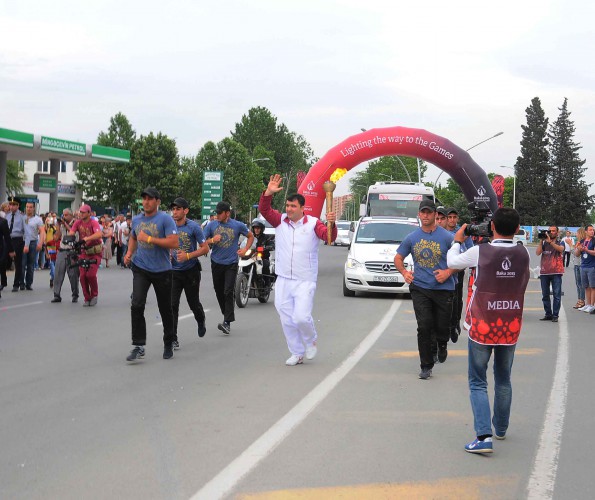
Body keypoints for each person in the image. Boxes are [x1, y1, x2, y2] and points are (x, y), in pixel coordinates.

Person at [447, 207, 530, 454]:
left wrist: (457, 240)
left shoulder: (479, 251)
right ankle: (501, 428)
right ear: (517, 229)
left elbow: (452, 263)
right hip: (510, 324)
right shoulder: (523, 252)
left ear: (491, 226)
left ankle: (483, 437)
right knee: (503, 378)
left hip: (483, 325)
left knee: (477, 381)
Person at [259, 174, 337, 366]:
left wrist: (331, 224)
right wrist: (268, 193)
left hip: (305, 279)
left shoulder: (313, 224)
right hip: (284, 278)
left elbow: (328, 237)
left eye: (293, 206)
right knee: (286, 318)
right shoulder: (280, 221)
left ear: (303, 208)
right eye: (287, 205)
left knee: (301, 317)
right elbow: (264, 209)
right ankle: (297, 352)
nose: (289, 209)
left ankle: (311, 341)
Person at [394, 199, 456, 380]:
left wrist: (448, 272)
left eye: (430, 212)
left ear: (435, 214)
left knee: (441, 326)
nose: (426, 215)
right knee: (424, 326)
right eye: (423, 212)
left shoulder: (447, 237)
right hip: (420, 287)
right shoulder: (412, 237)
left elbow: (460, 260)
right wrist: (404, 272)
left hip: (443, 288)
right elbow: (398, 258)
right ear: (419, 215)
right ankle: (426, 365)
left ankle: (442, 343)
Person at [124, 187, 179, 362]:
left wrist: (149, 239)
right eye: (144, 199)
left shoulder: (165, 219)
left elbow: (174, 242)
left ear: (157, 201)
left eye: (150, 199)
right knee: (137, 304)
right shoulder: (137, 219)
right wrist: (129, 253)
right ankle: (138, 345)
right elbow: (133, 237)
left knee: (165, 309)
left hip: (162, 270)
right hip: (141, 267)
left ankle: (168, 342)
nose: (146, 202)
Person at [203, 201, 253, 335]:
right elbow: (202, 240)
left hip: (231, 263)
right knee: (219, 291)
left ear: (227, 213)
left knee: (228, 291)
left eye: (220, 213)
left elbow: (250, 236)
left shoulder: (238, 225)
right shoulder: (212, 225)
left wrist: (245, 249)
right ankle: (227, 314)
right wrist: (213, 240)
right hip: (216, 262)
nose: (217, 215)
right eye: (216, 213)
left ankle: (227, 322)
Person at [170, 197, 210, 349]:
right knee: (172, 305)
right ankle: (173, 338)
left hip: (191, 271)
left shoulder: (193, 227)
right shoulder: (169, 226)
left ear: (185, 211)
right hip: (173, 272)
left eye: (178, 209)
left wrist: (188, 255)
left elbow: (205, 248)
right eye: (173, 209)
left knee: (193, 303)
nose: (174, 212)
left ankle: (200, 319)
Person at [446, 207, 473, 343]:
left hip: (458, 269)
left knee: (457, 298)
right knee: (447, 299)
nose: (451, 220)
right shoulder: (442, 232)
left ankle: (455, 322)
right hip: (445, 268)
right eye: (449, 217)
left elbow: (471, 249)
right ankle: (447, 325)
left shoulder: (462, 232)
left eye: (454, 217)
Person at [69, 204, 103, 306]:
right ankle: (87, 298)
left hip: (95, 252)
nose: (81, 214)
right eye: (80, 212)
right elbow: (72, 232)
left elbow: (99, 234)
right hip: (83, 252)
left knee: (91, 275)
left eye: (83, 212)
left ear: (89, 213)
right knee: (83, 276)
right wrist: (70, 239)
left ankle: (94, 295)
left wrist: (86, 239)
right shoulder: (77, 222)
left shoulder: (94, 222)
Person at [535, 226, 564, 322]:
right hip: (544, 272)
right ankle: (548, 314)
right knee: (545, 295)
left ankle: (555, 315)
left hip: (556, 271)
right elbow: (537, 253)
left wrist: (550, 242)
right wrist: (541, 241)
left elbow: (561, 249)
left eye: (553, 231)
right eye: (550, 231)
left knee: (556, 295)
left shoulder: (560, 241)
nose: (551, 232)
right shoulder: (544, 243)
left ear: (557, 232)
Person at [51, 209, 80, 303]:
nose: (64, 217)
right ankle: (56, 295)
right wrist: (58, 227)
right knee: (58, 273)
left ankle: (75, 294)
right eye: (63, 215)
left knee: (73, 275)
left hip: (72, 251)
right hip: (62, 250)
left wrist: (65, 224)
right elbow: (56, 238)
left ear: (71, 215)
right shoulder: (62, 224)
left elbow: (74, 234)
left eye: (66, 215)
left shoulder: (76, 223)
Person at [22, 202, 46, 291]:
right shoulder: (22, 218)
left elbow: (42, 231)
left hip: (33, 242)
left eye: (30, 207)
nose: (28, 209)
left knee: (30, 264)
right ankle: (21, 283)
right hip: (23, 242)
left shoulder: (38, 219)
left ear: (33, 208)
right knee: (22, 263)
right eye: (27, 207)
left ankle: (29, 283)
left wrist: (40, 243)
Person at [6, 197, 26, 292]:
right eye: (10, 204)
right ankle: (3, 282)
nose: (12, 206)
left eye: (14, 204)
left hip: (18, 240)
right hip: (7, 240)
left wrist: (26, 244)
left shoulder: (22, 216)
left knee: (18, 263)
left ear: (18, 206)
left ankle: (16, 284)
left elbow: (26, 231)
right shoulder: (7, 216)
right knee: (3, 261)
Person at [575, 224, 595, 313]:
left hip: (592, 266)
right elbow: (576, 254)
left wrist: (587, 250)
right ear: (586, 231)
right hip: (583, 266)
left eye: (593, 230)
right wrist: (579, 249)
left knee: (593, 286)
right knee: (586, 286)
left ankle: (592, 305)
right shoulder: (582, 241)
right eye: (590, 230)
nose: (592, 231)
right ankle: (587, 304)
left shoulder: (594, 241)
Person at [250, 218, 274, 283]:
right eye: (255, 228)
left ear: (261, 229)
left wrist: (269, 246)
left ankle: (266, 283)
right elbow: (244, 243)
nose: (256, 230)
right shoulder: (250, 237)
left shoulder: (266, 237)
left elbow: (271, 244)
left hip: (263, 257)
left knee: (265, 264)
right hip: (252, 257)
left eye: (258, 228)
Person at [0, 214, 15, 300]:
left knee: (1, 266)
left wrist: (11, 250)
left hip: (1, 248)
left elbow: (7, 237)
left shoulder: (3, 221)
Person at [571, 227, 586, 309]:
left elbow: (576, 254)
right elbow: (574, 253)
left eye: (577, 233)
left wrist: (571, 245)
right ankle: (579, 299)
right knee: (578, 283)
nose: (576, 235)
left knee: (581, 284)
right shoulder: (578, 242)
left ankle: (582, 300)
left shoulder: (583, 243)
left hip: (580, 264)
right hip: (576, 264)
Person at [44, 214, 59, 288]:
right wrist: (47, 254)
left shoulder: (54, 228)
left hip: (56, 254)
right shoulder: (47, 228)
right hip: (50, 251)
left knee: (56, 269)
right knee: (53, 268)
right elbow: (45, 229)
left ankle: (52, 278)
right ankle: (53, 278)